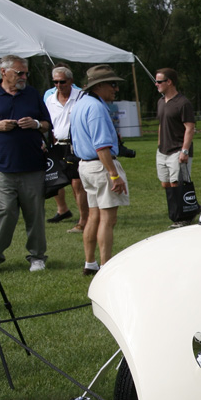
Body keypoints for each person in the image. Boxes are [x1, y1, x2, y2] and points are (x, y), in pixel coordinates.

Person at [70, 65, 130, 275]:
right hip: (100, 166)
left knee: (93, 215)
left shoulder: (80, 104)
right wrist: (114, 175)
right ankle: (106, 266)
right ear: (100, 86)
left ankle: (90, 263)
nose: (116, 89)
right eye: (112, 84)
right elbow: (101, 146)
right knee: (108, 219)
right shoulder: (96, 108)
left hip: (86, 166)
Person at [0, 54, 52, 272]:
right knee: (5, 212)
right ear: (3, 72)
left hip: (32, 166)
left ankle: (37, 256)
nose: (24, 77)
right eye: (19, 73)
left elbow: (48, 124)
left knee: (35, 214)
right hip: (3, 167)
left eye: (26, 73)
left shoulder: (31, 94)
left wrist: (36, 123)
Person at [43, 65, 89, 234]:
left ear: (71, 81)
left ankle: (83, 220)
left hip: (75, 145)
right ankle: (63, 210)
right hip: (57, 146)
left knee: (77, 184)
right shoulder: (50, 100)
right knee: (57, 181)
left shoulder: (81, 97)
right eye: (55, 82)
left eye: (62, 81)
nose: (59, 85)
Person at [154, 67, 197, 228]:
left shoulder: (183, 103)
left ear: (169, 82)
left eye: (159, 81)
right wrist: (159, 145)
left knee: (177, 183)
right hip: (163, 151)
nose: (156, 84)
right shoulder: (160, 102)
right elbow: (161, 125)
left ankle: (184, 217)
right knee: (165, 183)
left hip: (178, 149)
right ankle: (175, 214)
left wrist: (184, 151)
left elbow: (190, 128)